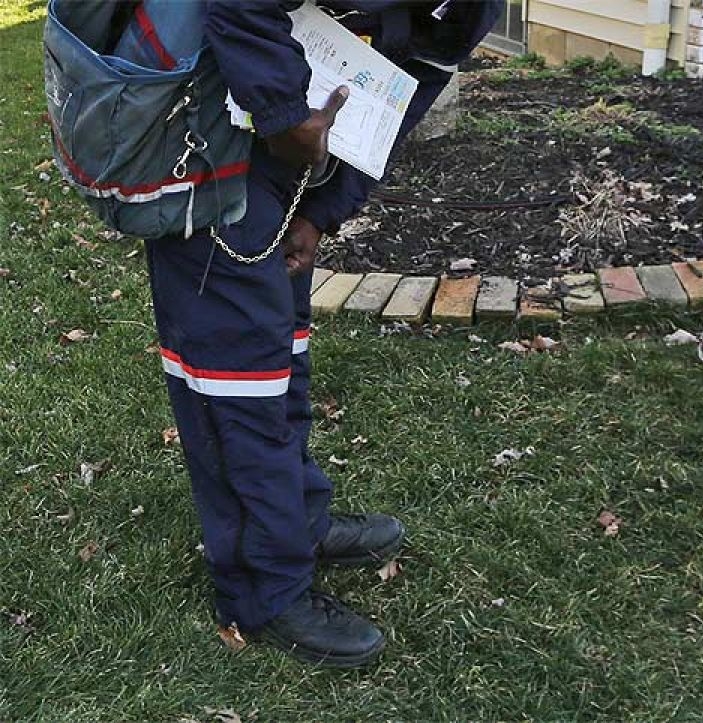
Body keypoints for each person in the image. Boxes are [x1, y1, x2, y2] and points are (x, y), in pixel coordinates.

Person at [140, 0, 500, 668]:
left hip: (290, 161)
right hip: (206, 145)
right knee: (236, 381)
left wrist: (321, 211)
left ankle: (296, 522)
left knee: (282, 359)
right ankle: (262, 586)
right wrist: (283, 115)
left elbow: (408, 85)